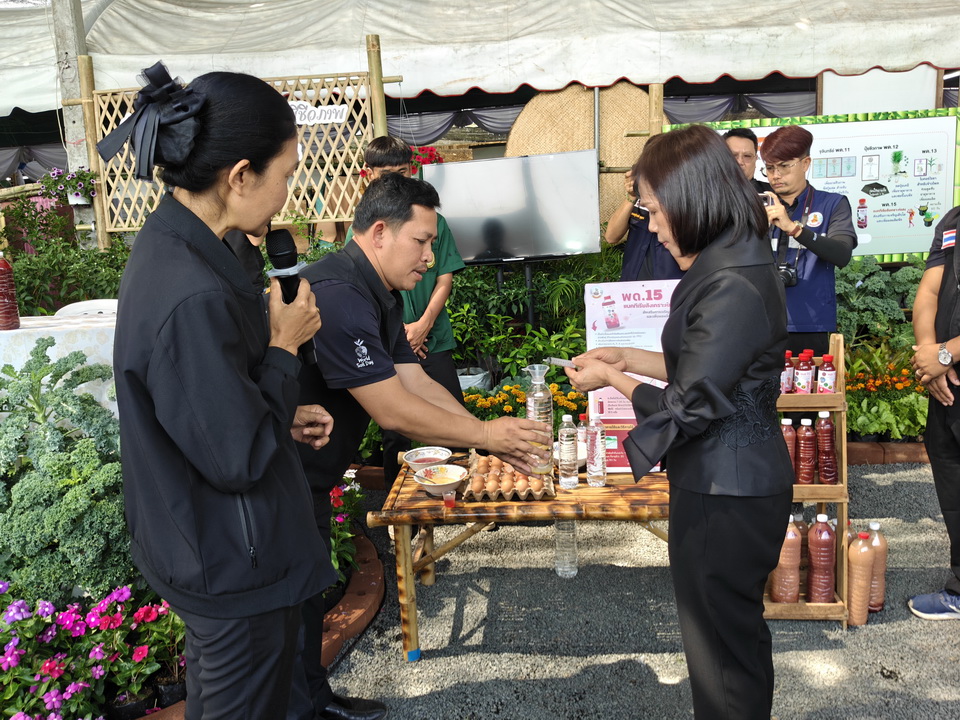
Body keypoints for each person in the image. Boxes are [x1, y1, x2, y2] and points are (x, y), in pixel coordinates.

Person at [103, 63, 342, 719]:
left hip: (211, 546)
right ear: (239, 176)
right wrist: (285, 348)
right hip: (233, 561)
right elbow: (236, 457)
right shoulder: (193, 292)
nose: (287, 193)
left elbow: (204, 409)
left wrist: (278, 410)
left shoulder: (179, 247)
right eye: (285, 174)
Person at [295, 171, 550, 716]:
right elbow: (392, 409)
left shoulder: (379, 291)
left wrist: (486, 442)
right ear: (380, 232)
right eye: (422, 241)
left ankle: (312, 701)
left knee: (307, 594)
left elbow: (415, 380)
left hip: (311, 477)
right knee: (287, 604)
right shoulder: (339, 294)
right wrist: (486, 434)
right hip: (280, 475)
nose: (431, 258)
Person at [566, 124, 793, 720]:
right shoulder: (734, 259)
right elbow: (713, 365)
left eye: (655, 208)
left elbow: (691, 403)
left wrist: (612, 379)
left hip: (726, 489)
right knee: (729, 643)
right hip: (728, 481)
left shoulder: (732, 281)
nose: (652, 225)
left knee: (722, 655)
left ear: (690, 199)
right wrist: (627, 357)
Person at [345, 136, 466, 487]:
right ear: (369, 174)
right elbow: (365, 292)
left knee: (452, 414)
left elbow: (444, 277)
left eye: (402, 172)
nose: (396, 180)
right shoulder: (362, 231)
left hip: (432, 339)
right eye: (387, 174)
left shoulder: (432, 221)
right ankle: (397, 502)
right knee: (395, 434)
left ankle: (462, 491)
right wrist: (401, 336)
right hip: (391, 343)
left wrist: (424, 325)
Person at [759, 124, 857, 355]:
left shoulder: (832, 203)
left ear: (806, 164)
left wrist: (794, 229)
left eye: (784, 166)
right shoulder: (756, 207)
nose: (776, 175)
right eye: (770, 168)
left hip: (810, 323)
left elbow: (842, 254)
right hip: (760, 322)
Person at [908, 205, 960, 619]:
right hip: (948, 383)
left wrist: (946, 353)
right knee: (952, 481)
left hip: (949, 362)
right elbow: (929, 291)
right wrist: (929, 355)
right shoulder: (953, 221)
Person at [603, 167, 684, 282]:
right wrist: (632, 195)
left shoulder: (683, 199)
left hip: (670, 285)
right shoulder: (639, 199)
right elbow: (611, 237)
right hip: (634, 284)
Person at [723, 127, 773, 193]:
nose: (740, 162)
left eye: (747, 156)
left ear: (755, 160)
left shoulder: (773, 193)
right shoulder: (709, 192)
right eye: (733, 156)